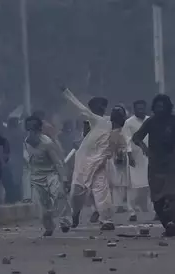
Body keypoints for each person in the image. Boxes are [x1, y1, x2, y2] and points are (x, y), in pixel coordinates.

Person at [132, 94, 175, 237]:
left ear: (167, 107)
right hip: (155, 164)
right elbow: (136, 137)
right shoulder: (151, 122)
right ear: (154, 108)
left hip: (172, 164)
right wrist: (144, 148)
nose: (160, 109)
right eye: (157, 106)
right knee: (157, 196)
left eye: (162, 106)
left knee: (173, 195)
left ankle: (172, 222)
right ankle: (167, 225)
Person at [62, 88, 116, 231]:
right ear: (91, 108)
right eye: (99, 106)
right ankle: (75, 213)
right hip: (84, 161)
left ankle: (106, 220)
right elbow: (78, 106)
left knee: (101, 189)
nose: (102, 108)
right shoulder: (91, 120)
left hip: (100, 161)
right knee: (77, 192)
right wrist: (66, 92)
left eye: (104, 106)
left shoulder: (109, 122)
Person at [24, 115, 71, 236]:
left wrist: (64, 178)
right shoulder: (26, 143)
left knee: (59, 196)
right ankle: (49, 227)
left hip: (51, 174)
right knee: (43, 205)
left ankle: (65, 221)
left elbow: (57, 162)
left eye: (33, 130)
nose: (31, 133)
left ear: (39, 131)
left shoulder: (47, 143)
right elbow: (28, 161)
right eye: (29, 130)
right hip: (36, 177)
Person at [122, 100, 150, 222]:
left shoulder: (150, 120)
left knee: (148, 183)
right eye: (138, 108)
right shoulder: (129, 123)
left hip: (149, 156)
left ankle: (147, 207)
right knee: (133, 185)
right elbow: (127, 140)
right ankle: (131, 210)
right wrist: (129, 156)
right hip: (135, 156)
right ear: (134, 109)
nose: (140, 110)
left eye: (142, 108)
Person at [107, 105, 130, 214]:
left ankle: (118, 204)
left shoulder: (121, 131)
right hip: (111, 158)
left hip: (117, 158)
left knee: (119, 183)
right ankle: (116, 205)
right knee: (116, 183)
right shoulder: (111, 130)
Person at [2, 117, 24, 203]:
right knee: (15, 183)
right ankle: (14, 199)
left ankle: (12, 199)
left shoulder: (6, 133)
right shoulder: (17, 134)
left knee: (13, 183)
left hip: (11, 161)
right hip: (14, 161)